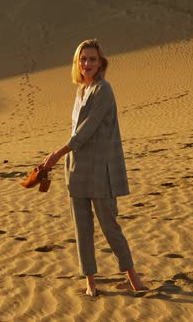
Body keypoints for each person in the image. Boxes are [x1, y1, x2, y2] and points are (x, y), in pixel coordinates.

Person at [43, 39, 146, 297]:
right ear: (77, 63)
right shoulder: (80, 91)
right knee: (82, 227)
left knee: (110, 225)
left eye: (92, 59)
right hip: (77, 169)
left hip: (101, 170)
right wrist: (63, 158)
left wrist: (57, 153)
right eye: (83, 59)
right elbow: (77, 131)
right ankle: (90, 281)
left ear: (101, 63)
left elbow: (86, 130)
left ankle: (134, 278)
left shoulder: (103, 90)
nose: (87, 63)